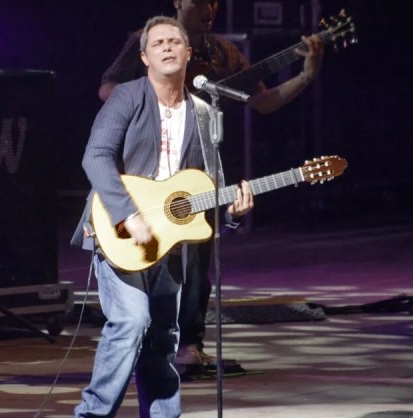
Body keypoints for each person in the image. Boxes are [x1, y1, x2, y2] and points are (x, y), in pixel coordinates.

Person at [98, 0, 324, 367]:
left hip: (199, 171)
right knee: (148, 259)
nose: (209, 7)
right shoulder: (149, 39)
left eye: (214, 2)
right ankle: (141, 339)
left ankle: (189, 344)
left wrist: (306, 75)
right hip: (148, 166)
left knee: (197, 260)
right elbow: (107, 90)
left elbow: (264, 102)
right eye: (200, 1)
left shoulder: (223, 53)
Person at [71, 16, 254, 417]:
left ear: (189, 54)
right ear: (144, 57)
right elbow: (96, 156)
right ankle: (92, 413)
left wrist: (234, 214)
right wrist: (127, 213)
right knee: (132, 322)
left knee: (162, 337)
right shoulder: (127, 97)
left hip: (168, 238)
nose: (168, 47)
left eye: (175, 41)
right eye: (158, 43)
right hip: (118, 229)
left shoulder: (203, 111)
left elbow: (211, 184)